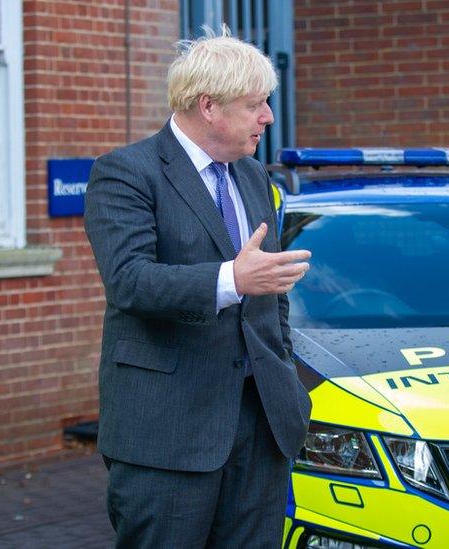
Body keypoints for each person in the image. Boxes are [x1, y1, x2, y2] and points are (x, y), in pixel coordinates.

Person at [84, 28, 312, 547]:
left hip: (260, 426)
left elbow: (271, 295)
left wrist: (288, 386)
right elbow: (129, 281)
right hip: (167, 433)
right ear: (209, 106)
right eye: (256, 104)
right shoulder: (126, 173)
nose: (268, 118)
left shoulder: (253, 176)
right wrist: (234, 278)